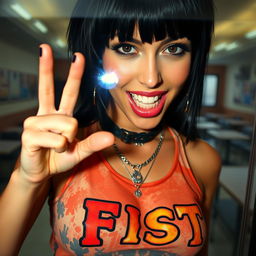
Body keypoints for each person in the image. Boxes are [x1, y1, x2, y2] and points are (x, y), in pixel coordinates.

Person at [0, 0, 221, 255]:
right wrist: (27, 180)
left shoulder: (202, 160)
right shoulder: (61, 150)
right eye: (127, 48)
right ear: (98, 57)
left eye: (173, 49)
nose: (151, 78)